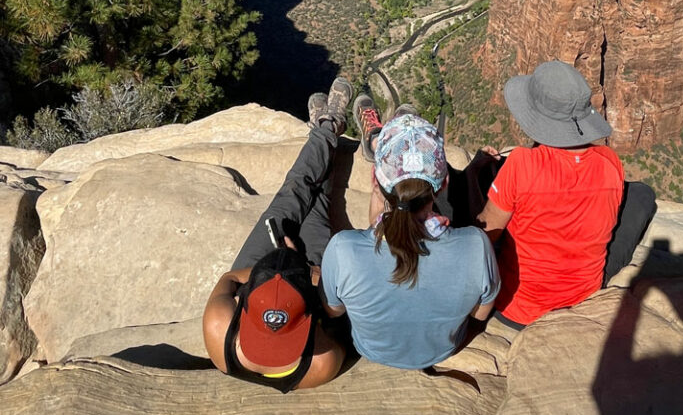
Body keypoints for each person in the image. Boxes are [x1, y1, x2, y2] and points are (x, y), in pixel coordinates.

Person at [477, 60, 656, 329]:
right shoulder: (610, 161)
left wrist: (475, 176)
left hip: (517, 307)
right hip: (582, 297)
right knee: (641, 195)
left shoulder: (521, 164)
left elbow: (485, 233)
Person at [320, 104, 500, 371]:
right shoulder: (476, 245)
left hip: (371, 349)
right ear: (444, 184)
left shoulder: (343, 250)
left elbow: (334, 311)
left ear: (375, 179)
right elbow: (480, 313)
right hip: (442, 349)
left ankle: (372, 140)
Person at [202, 79, 351, 391]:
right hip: (308, 275)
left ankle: (325, 128)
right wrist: (301, 268)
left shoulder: (220, 333)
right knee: (318, 208)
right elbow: (338, 309)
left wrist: (267, 272)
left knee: (293, 193)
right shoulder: (321, 362)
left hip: (258, 268)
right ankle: (326, 128)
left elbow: (230, 278)